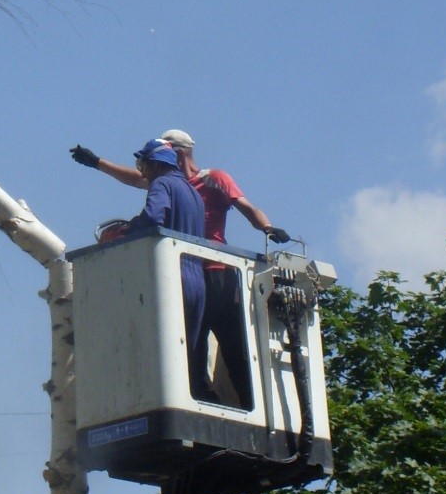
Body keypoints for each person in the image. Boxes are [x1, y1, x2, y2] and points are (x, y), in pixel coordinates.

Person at [70, 128, 291, 246]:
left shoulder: (213, 179)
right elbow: (134, 177)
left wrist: (268, 228)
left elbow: (248, 208)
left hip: (213, 259)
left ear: (178, 153)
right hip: (183, 258)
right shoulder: (170, 182)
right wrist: (96, 162)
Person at [120, 138, 206, 355]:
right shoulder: (194, 193)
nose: (144, 173)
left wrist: (128, 230)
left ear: (156, 164)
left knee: (164, 353)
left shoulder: (162, 184)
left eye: (144, 165)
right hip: (198, 281)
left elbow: (153, 217)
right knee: (187, 358)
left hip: (173, 276)